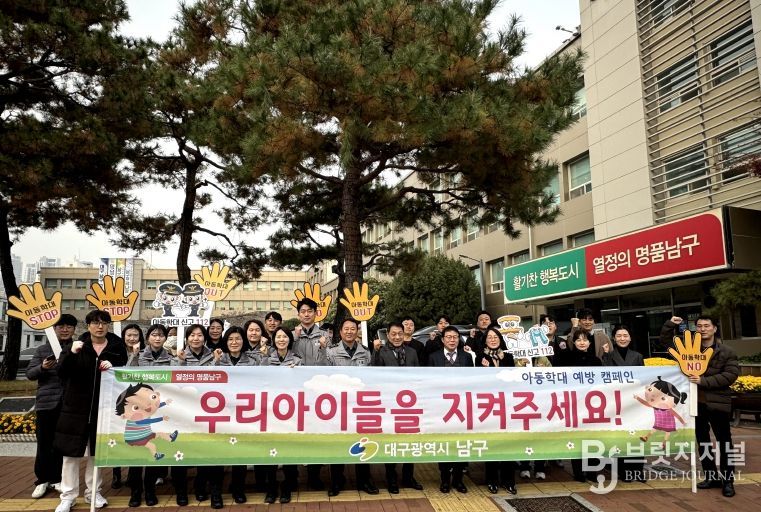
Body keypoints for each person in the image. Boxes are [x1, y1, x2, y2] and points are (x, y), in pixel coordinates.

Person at [54, 310, 128, 512]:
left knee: (97, 454)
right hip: (75, 409)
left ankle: (93, 492)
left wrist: (115, 366)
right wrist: (71, 353)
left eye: (104, 322)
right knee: (70, 455)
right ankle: (68, 496)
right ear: (88, 326)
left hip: (102, 409)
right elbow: (61, 372)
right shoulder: (77, 346)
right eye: (95, 322)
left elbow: (124, 373)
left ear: (108, 325)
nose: (100, 326)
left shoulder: (116, 348)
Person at [662, 314, 738, 498]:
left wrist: (703, 381)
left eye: (706, 326)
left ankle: (728, 481)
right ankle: (711, 476)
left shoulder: (726, 351)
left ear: (714, 329)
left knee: (724, 442)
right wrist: (670, 324)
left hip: (718, 403)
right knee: (703, 442)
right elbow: (665, 342)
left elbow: (731, 375)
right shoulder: (689, 348)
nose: (703, 329)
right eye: (699, 326)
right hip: (696, 404)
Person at [323, 318, 378, 496]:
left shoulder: (366, 352)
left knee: (362, 442)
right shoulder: (331, 352)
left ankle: (364, 480)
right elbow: (326, 378)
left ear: (357, 331)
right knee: (337, 443)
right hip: (338, 406)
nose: (349, 332)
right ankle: (337, 480)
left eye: (352, 329)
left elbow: (371, 379)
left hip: (360, 405)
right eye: (346, 329)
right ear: (340, 332)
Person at [27, 314, 77, 499]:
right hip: (46, 404)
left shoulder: (77, 348)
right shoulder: (43, 349)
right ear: (54, 329)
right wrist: (43, 367)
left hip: (69, 404)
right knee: (44, 443)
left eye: (69, 326)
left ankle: (57, 479)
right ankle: (42, 480)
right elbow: (30, 374)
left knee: (62, 444)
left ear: (74, 329)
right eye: (61, 326)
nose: (65, 330)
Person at [372, 322, 423, 493]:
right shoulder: (381, 351)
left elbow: (418, 376)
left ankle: (408, 477)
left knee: (410, 441)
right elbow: (373, 374)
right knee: (391, 442)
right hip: (389, 404)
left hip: (410, 405)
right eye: (393, 334)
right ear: (387, 334)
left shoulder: (412, 352)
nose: (397, 337)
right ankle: (391, 479)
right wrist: (375, 351)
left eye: (400, 333)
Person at [177, 324, 223, 508]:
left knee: (210, 451)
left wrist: (217, 361)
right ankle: (182, 491)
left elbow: (221, 379)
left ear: (205, 338)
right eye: (192, 335)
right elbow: (174, 382)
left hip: (209, 411)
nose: (196, 338)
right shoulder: (179, 356)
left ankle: (209, 489)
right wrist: (181, 362)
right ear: (187, 338)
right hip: (185, 412)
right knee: (182, 452)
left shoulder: (215, 355)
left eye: (199, 335)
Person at [128, 324, 173, 507]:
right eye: (154, 335)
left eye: (161, 335)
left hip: (158, 409)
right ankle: (135, 492)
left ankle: (150, 490)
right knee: (136, 452)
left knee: (153, 450)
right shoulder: (138, 355)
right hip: (137, 411)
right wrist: (133, 355)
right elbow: (126, 375)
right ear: (147, 338)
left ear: (165, 338)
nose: (157, 338)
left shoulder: (170, 358)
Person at [213, 326, 258, 504]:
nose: (234, 342)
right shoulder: (217, 360)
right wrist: (215, 362)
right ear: (225, 341)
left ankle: (238, 489)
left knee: (239, 452)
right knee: (218, 453)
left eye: (238, 339)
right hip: (220, 414)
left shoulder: (253, 362)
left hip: (242, 414)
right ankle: (216, 493)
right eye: (230, 339)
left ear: (243, 341)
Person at [429, 325, 474, 493]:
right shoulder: (433, 358)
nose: (452, 340)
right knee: (444, 443)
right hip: (442, 408)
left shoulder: (466, 357)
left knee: (460, 443)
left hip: (462, 408)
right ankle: (444, 479)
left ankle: (458, 479)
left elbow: (472, 381)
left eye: (455, 337)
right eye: (448, 337)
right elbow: (429, 382)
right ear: (442, 340)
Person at [291, 298, 330, 490]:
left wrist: (323, 348)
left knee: (316, 432)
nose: (306, 314)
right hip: (295, 393)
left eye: (310, 311)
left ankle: (314, 475)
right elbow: (285, 357)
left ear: (316, 313)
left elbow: (328, 364)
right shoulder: (292, 335)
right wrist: (295, 339)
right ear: (298, 314)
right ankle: (292, 476)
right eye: (303, 311)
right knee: (294, 432)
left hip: (317, 392)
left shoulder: (325, 336)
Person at [600, 325, 646, 482]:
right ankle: (624, 471)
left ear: (630, 338)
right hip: (617, 402)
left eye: (625, 335)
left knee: (637, 436)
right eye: (619, 336)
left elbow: (643, 379)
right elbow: (605, 376)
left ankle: (638, 471)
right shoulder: (609, 355)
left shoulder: (638, 356)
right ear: (614, 338)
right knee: (621, 437)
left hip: (634, 401)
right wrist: (606, 355)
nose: (622, 338)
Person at [260, 327, 301, 503]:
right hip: (270, 412)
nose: (281, 340)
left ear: (290, 339)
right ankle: (271, 488)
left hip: (291, 413)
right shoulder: (267, 359)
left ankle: (288, 486)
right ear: (273, 340)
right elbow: (259, 380)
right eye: (278, 337)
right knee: (270, 451)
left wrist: (296, 373)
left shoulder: (298, 361)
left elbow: (303, 384)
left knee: (289, 450)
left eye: (285, 336)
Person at [475, 326, 517, 494]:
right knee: (491, 443)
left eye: (495, 337)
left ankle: (509, 480)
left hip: (507, 405)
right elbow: (479, 382)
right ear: (485, 340)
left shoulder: (508, 357)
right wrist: (486, 371)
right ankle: (492, 480)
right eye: (489, 337)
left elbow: (512, 379)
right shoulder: (480, 357)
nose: (493, 339)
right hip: (489, 406)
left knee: (508, 444)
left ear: (500, 339)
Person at [557, 330, 602, 482]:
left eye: (585, 340)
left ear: (589, 342)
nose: (582, 342)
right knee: (576, 438)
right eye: (578, 340)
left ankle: (592, 472)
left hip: (592, 405)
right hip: (574, 404)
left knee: (593, 437)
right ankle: (578, 473)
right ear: (574, 342)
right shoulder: (566, 358)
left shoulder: (596, 361)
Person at [114, 323, 145, 489]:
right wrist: (132, 355)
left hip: (138, 401)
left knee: (136, 437)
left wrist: (136, 355)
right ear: (123, 336)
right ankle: (116, 474)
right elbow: (123, 373)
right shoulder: (116, 352)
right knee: (117, 435)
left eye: (135, 335)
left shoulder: (143, 353)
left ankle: (133, 476)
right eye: (129, 335)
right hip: (119, 398)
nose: (132, 338)